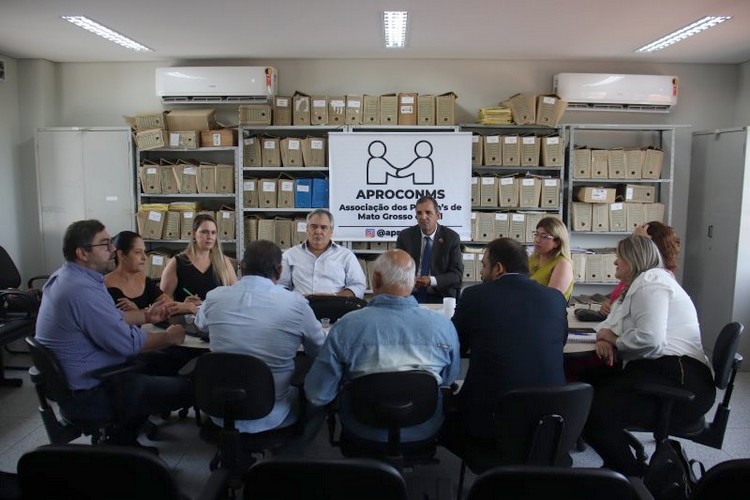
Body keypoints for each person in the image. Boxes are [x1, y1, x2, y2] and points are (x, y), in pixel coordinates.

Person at [34, 220, 193, 449]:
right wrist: (170, 337)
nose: (112, 250)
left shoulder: (71, 278)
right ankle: (122, 442)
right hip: (92, 392)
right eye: (104, 245)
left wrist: (146, 316)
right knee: (187, 388)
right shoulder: (81, 291)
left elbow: (109, 318)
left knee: (170, 360)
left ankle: (124, 437)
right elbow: (128, 344)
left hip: (86, 379)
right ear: (82, 253)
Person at [583, 235, 714, 476]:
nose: (615, 262)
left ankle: (632, 475)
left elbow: (651, 339)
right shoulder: (637, 285)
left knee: (591, 411)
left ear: (634, 260)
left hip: (682, 381)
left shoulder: (651, 282)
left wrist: (614, 340)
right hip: (664, 371)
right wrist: (604, 337)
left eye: (620, 257)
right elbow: (610, 324)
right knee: (587, 389)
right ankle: (622, 469)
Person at [304, 249, 461, 444]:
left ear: (376, 279)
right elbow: (449, 378)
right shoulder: (443, 326)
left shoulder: (346, 326)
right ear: (412, 282)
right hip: (423, 427)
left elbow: (318, 394)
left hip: (362, 427)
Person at [443, 238, 567, 447]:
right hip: (549, 420)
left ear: (498, 268)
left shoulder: (475, 296)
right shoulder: (555, 298)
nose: (481, 272)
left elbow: (455, 344)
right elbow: (560, 342)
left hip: (489, 420)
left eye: (484, 265)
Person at [194, 240, 326, 433]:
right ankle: (293, 448)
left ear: (241, 266)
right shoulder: (296, 304)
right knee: (319, 399)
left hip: (219, 410)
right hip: (273, 413)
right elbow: (320, 349)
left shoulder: (215, 297)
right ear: (279, 271)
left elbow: (200, 324)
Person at [160, 213, 238, 315]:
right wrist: (183, 305)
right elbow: (162, 303)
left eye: (213, 232)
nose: (209, 237)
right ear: (193, 234)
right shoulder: (177, 262)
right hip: (186, 320)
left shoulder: (223, 262)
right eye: (204, 232)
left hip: (216, 318)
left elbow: (235, 296)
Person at [278, 209, 366, 298]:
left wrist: (334, 297)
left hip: (335, 305)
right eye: (314, 227)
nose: (318, 231)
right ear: (307, 229)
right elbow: (280, 286)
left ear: (331, 232)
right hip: (300, 305)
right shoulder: (290, 255)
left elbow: (358, 286)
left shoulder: (346, 256)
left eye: (323, 227)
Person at [599, 221, 681, 315]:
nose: (615, 262)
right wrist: (609, 306)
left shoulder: (654, 282)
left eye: (637, 244)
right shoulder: (635, 277)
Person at [396, 195, 463, 303]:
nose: (423, 217)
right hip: (410, 295)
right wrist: (409, 280)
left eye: (428, 212)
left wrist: (431, 280)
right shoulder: (405, 236)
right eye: (419, 213)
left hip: (440, 296)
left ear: (438, 215)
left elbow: (456, 276)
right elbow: (397, 269)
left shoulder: (451, 238)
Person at [105, 231, 170, 311]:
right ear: (121, 255)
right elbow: (117, 317)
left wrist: (138, 310)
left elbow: (168, 303)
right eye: (138, 252)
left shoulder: (143, 279)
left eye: (144, 251)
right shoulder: (106, 286)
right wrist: (143, 312)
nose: (144, 257)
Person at [528, 216, 574, 301]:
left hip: (545, 307)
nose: (537, 240)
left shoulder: (563, 264)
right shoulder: (532, 258)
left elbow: (550, 299)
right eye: (536, 234)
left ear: (557, 242)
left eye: (544, 237)